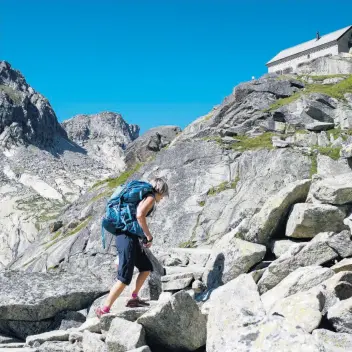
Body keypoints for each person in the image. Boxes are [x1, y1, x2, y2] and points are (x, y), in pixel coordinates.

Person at [95, 177, 169, 317]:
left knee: (146, 267)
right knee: (124, 278)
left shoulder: (142, 195)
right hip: (126, 237)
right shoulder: (150, 197)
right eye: (163, 195)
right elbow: (140, 215)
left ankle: (134, 298)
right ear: (161, 190)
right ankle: (104, 309)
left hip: (130, 237)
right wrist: (148, 236)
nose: (163, 198)